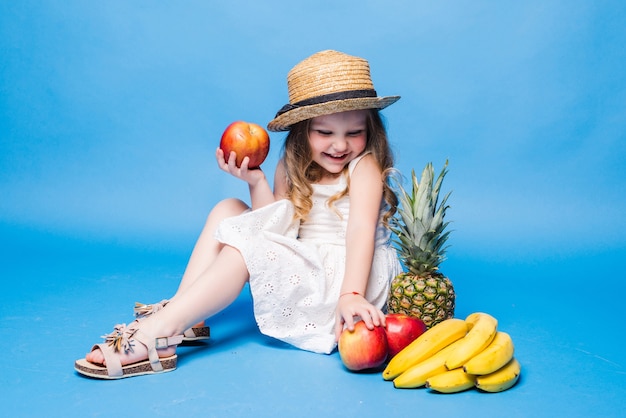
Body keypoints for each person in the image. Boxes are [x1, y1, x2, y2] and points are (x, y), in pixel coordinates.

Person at [74, 49, 403, 379]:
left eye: (354, 133)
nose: (340, 145)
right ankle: (185, 312)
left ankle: (159, 332)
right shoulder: (293, 165)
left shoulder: (365, 166)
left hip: (349, 276)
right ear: (303, 130)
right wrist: (255, 180)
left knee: (245, 249)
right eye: (325, 132)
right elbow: (275, 226)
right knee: (227, 209)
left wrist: (351, 295)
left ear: (370, 131)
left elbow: (360, 229)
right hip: (309, 263)